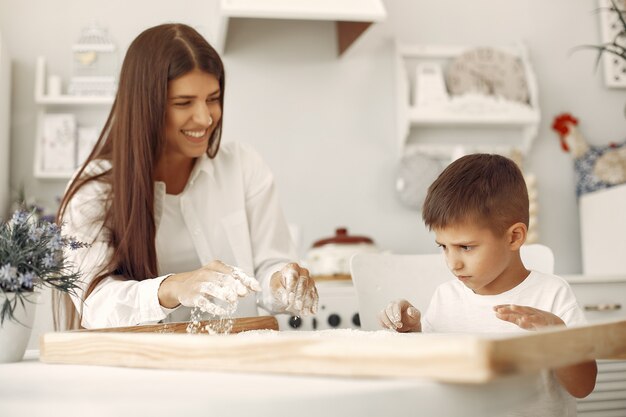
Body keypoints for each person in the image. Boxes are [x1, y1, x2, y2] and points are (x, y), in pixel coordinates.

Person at [55, 23, 318, 330]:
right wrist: (173, 287)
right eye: (183, 103)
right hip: (146, 368)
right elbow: (94, 303)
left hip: (241, 357)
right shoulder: (95, 189)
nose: (205, 118)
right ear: (145, 106)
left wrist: (281, 282)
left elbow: (269, 264)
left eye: (213, 98)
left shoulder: (243, 166)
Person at [378, 153, 597, 415]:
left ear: (514, 237)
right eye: (443, 247)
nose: (452, 263)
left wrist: (558, 336)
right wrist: (411, 333)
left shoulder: (552, 294)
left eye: (466, 247)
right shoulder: (446, 298)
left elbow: (583, 387)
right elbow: (430, 375)